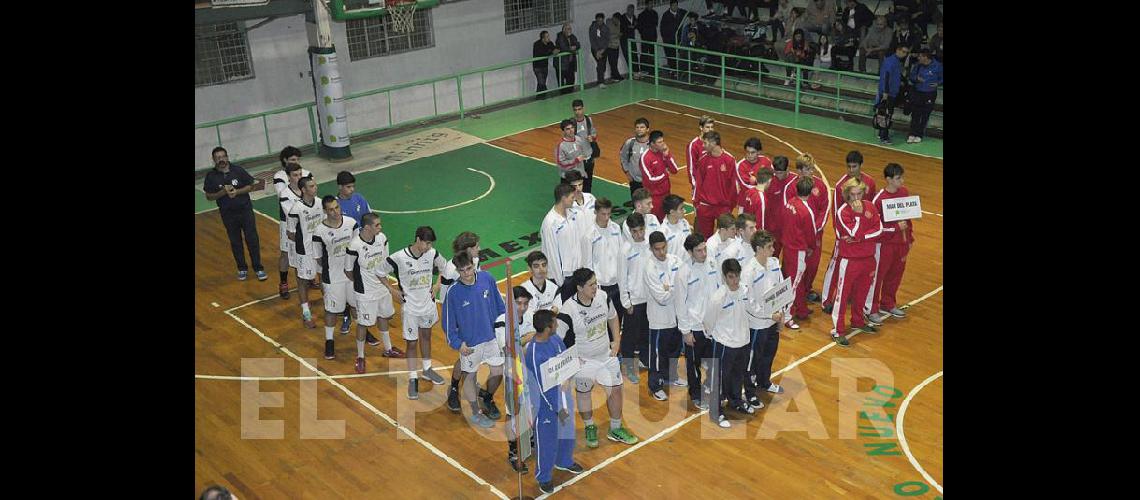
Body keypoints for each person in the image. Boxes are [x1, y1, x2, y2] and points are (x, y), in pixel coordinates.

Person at [556, 268, 640, 448]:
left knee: (616, 390)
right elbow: (557, 339)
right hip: (584, 361)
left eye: (596, 283)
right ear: (579, 287)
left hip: (606, 356)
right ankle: (589, 426)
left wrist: (617, 341)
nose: (596, 287)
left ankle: (615, 428)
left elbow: (613, 317)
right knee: (584, 394)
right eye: (591, 284)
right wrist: (569, 361)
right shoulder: (568, 310)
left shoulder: (603, 297)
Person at [443, 252, 507, 428]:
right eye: (462, 270)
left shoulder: (487, 278)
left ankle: (486, 397)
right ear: (457, 270)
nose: (466, 273)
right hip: (470, 344)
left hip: (491, 338)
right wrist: (458, 344)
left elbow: (500, 306)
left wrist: (503, 330)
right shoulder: (453, 292)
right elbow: (448, 323)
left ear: (474, 264)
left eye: (469, 268)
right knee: (470, 376)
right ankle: (475, 412)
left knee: (497, 372)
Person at [386, 226, 450, 399]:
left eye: (430, 244)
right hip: (410, 308)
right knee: (412, 343)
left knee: (427, 336)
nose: (428, 247)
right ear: (417, 239)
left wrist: (437, 285)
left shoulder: (432, 253)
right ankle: (413, 377)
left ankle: (427, 369)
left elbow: (444, 268)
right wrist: (392, 291)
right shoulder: (398, 257)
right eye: (426, 243)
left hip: (427, 305)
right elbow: (379, 271)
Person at [524, 309, 583, 494]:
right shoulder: (533, 353)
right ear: (548, 328)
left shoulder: (556, 340)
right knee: (546, 440)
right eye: (555, 323)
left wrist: (573, 368)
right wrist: (556, 408)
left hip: (563, 396)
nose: (557, 325)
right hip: (545, 405)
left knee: (567, 430)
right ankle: (544, 477)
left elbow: (565, 361)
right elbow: (541, 388)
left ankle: (564, 461)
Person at [830, 179, 882, 347]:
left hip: (868, 258)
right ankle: (837, 330)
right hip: (850, 260)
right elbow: (853, 230)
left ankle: (858, 321)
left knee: (862, 292)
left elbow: (879, 229)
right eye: (852, 195)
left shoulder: (871, 206)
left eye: (859, 194)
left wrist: (860, 238)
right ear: (847, 195)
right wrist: (859, 215)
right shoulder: (843, 212)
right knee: (842, 296)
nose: (856, 198)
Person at [822, 151, 876, 312]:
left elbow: (871, 209)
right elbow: (837, 212)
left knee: (857, 268)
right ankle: (826, 299)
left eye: (854, 166)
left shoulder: (870, 182)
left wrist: (864, 233)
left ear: (861, 166)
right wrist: (841, 236)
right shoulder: (840, 186)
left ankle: (851, 296)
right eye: (849, 166)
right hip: (845, 235)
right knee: (835, 265)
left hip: (860, 235)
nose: (851, 170)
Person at [703, 259, 754, 428]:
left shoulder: (745, 291)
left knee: (738, 375)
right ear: (724, 277)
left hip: (743, 342)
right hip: (724, 344)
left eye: (737, 276)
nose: (735, 281)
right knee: (719, 379)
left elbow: (753, 310)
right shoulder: (718, 298)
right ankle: (715, 411)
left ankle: (735, 400)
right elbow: (708, 321)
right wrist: (716, 337)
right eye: (731, 277)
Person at [344, 212, 397, 374]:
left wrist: (386, 285)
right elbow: (348, 271)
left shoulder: (382, 238)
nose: (380, 227)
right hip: (365, 293)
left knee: (384, 316)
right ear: (367, 227)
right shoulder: (354, 245)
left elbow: (386, 262)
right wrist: (361, 284)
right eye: (377, 225)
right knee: (363, 323)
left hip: (382, 288)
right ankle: (360, 356)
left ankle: (388, 348)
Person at [203, 146, 265, 282]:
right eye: (218, 158)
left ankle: (258, 268)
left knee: (252, 239)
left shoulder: (238, 170)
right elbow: (209, 196)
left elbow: (251, 185)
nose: (221, 160)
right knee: (235, 241)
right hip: (228, 214)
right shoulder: (211, 176)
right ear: (214, 160)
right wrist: (222, 193)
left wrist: (237, 192)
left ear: (227, 157)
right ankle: (242, 268)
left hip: (245, 211)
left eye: (223, 157)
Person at [740, 230, 787, 409]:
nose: (773, 250)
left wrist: (781, 316)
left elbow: (781, 290)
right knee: (752, 360)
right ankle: (750, 393)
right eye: (769, 247)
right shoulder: (749, 271)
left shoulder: (774, 263)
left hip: (773, 321)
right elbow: (748, 303)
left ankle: (764, 382)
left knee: (768, 355)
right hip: (757, 325)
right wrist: (769, 315)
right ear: (759, 249)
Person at [312, 195, 359, 360]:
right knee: (331, 310)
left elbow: (358, 249)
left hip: (352, 275)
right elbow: (318, 258)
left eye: (337, 207)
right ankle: (329, 341)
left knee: (356, 306)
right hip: (333, 277)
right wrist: (323, 277)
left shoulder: (351, 223)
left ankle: (363, 333)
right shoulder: (319, 232)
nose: (335, 212)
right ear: (325, 211)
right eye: (331, 209)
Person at [442, 232, 484, 412]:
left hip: (474, 313)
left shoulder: (473, 262)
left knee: (470, 356)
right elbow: (446, 298)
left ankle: (460, 387)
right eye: (476, 247)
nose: (479, 249)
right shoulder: (452, 270)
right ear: (468, 249)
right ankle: (454, 390)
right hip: (460, 318)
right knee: (465, 356)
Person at [869, 163, 915, 322]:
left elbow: (907, 218)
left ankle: (888, 303)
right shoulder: (879, 199)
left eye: (902, 177)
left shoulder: (904, 192)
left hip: (901, 244)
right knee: (878, 277)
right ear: (888, 179)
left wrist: (910, 238)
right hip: (884, 245)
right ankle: (872, 308)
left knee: (895, 275)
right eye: (898, 178)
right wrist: (895, 228)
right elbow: (875, 227)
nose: (902, 181)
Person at [644, 231, 686, 401]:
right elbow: (661, 298)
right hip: (659, 320)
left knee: (674, 350)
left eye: (663, 248)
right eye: (657, 249)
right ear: (651, 249)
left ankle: (671, 376)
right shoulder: (649, 268)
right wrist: (676, 288)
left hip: (676, 316)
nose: (661, 252)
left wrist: (670, 287)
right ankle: (655, 385)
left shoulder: (676, 260)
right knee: (657, 355)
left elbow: (685, 282)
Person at [678, 233, 717, 410]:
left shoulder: (712, 263)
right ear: (689, 252)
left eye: (704, 249)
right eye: (699, 251)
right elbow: (679, 304)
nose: (703, 253)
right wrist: (686, 331)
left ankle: (709, 384)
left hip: (712, 325)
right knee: (693, 365)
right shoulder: (683, 272)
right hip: (694, 327)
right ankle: (695, 394)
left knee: (714, 360)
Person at [787, 154, 830, 304]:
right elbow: (790, 212)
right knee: (795, 267)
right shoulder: (791, 187)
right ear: (798, 170)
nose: (811, 172)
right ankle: (793, 296)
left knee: (812, 265)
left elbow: (824, 210)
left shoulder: (821, 186)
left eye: (812, 168)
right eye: (807, 169)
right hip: (798, 236)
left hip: (815, 235)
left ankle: (806, 290)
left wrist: (815, 229)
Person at [335, 171, 373, 334]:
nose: (352, 190)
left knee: (360, 280)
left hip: (361, 248)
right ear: (340, 187)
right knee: (345, 283)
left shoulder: (359, 199)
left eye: (353, 186)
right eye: (348, 187)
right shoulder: (334, 206)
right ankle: (346, 316)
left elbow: (369, 219)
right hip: (343, 252)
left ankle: (363, 315)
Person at [503, 285, 535, 473]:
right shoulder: (502, 321)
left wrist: (524, 340)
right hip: (512, 375)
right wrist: (527, 338)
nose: (522, 307)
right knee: (512, 413)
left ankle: (528, 438)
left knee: (530, 408)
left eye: (525, 303)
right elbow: (508, 349)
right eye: (518, 303)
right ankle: (513, 452)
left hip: (529, 371)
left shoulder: (530, 318)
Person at [273, 146, 312, 299]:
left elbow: (312, 193)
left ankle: (309, 276)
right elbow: (285, 197)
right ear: (285, 161)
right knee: (285, 253)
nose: (296, 162)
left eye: (297, 159)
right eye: (292, 160)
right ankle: (283, 282)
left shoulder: (307, 173)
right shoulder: (279, 177)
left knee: (310, 249)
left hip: (306, 222)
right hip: (287, 223)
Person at [286, 176, 325, 329]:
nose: (315, 188)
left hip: (321, 248)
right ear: (303, 190)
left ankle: (329, 306)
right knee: (303, 281)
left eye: (315, 185)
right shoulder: (296, 209)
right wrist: (305, 242)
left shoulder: (321, 203)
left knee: (323, 277)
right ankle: (306, 312)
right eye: (312, 186)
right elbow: (290, 233)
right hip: (305, 251)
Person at [781, 176, 818, 330]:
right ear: (810, 192)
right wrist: (810, 248)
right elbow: (811, 233)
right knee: (794, 284)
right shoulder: (806, 211)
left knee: (792, 281)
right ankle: (787, 317)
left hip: (788, 248)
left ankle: (800, 309)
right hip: (797, 251)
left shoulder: (789, 203)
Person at [619, 212, 651, 383]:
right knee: (630, 336)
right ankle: (628, 368)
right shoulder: (625, 250)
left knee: (646, 332)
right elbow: (622, 277)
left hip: (649, 299)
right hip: (633, 301)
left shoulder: (649, 245)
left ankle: (645, 359)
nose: (639, 234)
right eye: (635, 231)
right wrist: (626, 301)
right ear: (630, 231)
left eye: (641, 230)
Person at [587, 198, 625, 337]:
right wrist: (594, 287)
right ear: (595, 212)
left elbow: (621, 254)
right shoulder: (589, 234)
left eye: (609, 214)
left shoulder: (615, 227)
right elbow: (587, 264)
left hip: (617, 283)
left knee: (618, 319)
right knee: (603, 321)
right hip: (601, 286)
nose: (607, 217)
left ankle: (616, 348)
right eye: (603, 214)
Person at [541, 183, 586, 292]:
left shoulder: (572, 214)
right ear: (563, 198)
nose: (574, 199)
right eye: (571, 197)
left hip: (576, 273)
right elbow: (552, 254)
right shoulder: (550, 223)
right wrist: (561, 282)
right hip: (563, 279)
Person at [694, 130, 738, 239]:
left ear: (713, 143)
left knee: (724, 238)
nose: (703, 146)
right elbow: (698, 183)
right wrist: (697, 203)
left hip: (722, 207)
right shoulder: (703, 160)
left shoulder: (730, 160)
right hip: (705, 206)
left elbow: (733, 186)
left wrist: (729, 206)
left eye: (705, 143)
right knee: (705, 238)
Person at [639, 130, 680, 222]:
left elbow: (675, 170)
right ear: (652, 143)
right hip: (654, 198)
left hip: (667, 194)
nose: (663, 144)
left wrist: (667, 155)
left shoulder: (663, 153)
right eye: (659, 142)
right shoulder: (645, 157)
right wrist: (665, 174)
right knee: (656, 222)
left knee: (668, 221)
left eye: (663, 141)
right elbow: (650, 179)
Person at [906, 48, 942, 144]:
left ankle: (919, 135)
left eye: (920, 56)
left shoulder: (938, 66)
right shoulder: (918, 66)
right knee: (915, 114)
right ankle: (912, 134)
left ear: (926, 57)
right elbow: (911, 76)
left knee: (925, 115)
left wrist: (938, 83)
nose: (918, 58)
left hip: (930, 93)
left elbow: (942, 78)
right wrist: (916, 78)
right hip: (918, 92)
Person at [876, 44, 910, 145]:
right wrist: (886, 92)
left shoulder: (895, 61)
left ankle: (881, 133)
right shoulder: (891, 61)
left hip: (892, 92)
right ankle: (884, 137)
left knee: (884, 114)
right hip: (888, 92)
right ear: (898, 50)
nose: (904, 54)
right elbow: (886, 76)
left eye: (906, 53)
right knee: (887, 114)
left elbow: (896, 75)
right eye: (903, 52)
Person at [766, 156, 797, 258]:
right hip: (773, 227)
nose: (777, 175)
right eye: (776, 172)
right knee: (772, 256)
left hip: (789, 227)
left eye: (780, 173)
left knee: (789, 258)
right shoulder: (769, 181)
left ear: (787, 169)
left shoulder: (796, 180)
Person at [734, 137, 774, 212]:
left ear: (759, 152)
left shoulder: (766, 161)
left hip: (763, 201)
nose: (749, 155)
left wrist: (755, 180)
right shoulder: (740, 165)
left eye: (753, 152)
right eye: (747, 152)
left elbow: (772, 178)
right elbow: (746, 185)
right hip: (746, 202)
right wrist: (762, 182)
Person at [618, 117, 652, 205]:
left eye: (642, 127)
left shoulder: (653, 144)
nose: (639, 129)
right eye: (637, 127)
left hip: (649, 181)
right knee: (637, 205)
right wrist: (627, 172)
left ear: (647, 129)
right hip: (634, 180)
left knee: (649, 205)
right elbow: (623, 157)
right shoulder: (630, 143)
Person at [740, 170, 776, 241]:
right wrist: (762, 240)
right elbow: (761, 224)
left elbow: (741, 210)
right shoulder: (761, 199)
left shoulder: (748, 192)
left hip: (744, 232)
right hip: (754, 237)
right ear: (769, 181)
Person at [687, 116, 715, 200]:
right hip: (700, 188)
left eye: (712, 127)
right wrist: (696, 187)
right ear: (701, 128)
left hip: (713, 186)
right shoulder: (694, 145)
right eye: (707, 127)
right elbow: (691, 169)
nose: (710, 129)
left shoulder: (715, 143)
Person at [660, 194, 693, 261]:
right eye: (681, 209)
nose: (684, 211)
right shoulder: (662, 231)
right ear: (672, 212)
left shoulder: (684, 222)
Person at [659, 0, 688, 71]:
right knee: (671, 56)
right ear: (670, 6)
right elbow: (663, 29)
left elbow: (688, 13)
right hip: (669, 40)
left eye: (676, 5)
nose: (675, 7)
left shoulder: (681, 12)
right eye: (673, 5)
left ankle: (680, 70)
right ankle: (673, 70)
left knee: (681, 54)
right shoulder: (666, 15)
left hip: (678, 39)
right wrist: (667, 39)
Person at [635, 2, 659, 77]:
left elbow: (655, 24)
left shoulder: (655, 13)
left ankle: (653, 69)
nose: (651, 5)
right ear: (646, 5)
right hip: (645, 37)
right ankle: (644, 70)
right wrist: (644, 32)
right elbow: (639, 27)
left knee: (653, 53)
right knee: (645, 54)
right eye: (649, 4)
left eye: (652, 4)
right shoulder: (642, 15)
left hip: (653, 37)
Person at [555, 23, 581, 94]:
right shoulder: (560, 37)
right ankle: (563, 95)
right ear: (563, 30)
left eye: (570, 28)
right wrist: (572, 49)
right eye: (567, 29)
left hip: (571, 62)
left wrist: (575, 47)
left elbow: (578, 44)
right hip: (561, 63)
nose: (569, 30)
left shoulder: (572, 36)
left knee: (571, 80)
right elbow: (563, 47)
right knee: (561, 82)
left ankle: (569, 93)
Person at [589, 13, 613, 87]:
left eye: (601, 21)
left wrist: (603, 50)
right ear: (596, 20)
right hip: (595, 49)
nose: (600, 22)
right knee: (600, 63)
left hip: (604, 49)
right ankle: (601, 82)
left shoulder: (606, 28)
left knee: (602, 66)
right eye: (598, 21)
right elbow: (592, 40)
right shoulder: (592, 28)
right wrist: (597, 51)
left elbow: (607, 40)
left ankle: (600, 77)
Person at [533, 31, 559, 98]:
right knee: (541, 82)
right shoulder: (537, 44)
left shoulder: (550, 43)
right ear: (543, 38)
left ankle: (540, 96)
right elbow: (542, 54)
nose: (549, 38)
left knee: (542, 82)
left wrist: (556, 50)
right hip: (537, 67)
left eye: (548, 36)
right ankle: (544, 94)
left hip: (545, 66)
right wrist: (551, 52)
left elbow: (555, 48)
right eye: (547, 37)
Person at [620, 5, 637, 77]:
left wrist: (633, 26)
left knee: (634, 55)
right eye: (630, 11)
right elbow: (623, 28)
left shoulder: (634, 17)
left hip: (632, 39)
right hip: (624, 40)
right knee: (627, 56)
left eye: (633, 11)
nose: (631, 12)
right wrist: (630, 27)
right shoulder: (622, 18)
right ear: (627, 10)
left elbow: (636, 25)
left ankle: (637, 71)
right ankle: (632, 72)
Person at [607, 12, 624, 81]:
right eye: (616, 19)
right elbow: (608, 36)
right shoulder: (608, 24)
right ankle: (616, 75)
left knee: (615, 61)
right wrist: (617, 35)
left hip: (616, 45)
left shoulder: (618, 23)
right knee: (612, 62)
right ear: (613, 18)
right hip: (610, 46)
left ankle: (614, 75)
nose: (617, 21)